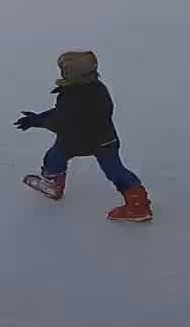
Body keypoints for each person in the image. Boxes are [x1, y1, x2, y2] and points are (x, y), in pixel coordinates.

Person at [15, 50, 152, 222]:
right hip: (103, 139)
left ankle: (138, 206)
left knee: (57, 158)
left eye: (64, 70)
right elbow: (61, 114)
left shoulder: (77, 95)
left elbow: (61, 120)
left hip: (80, 141)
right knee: (112, 169)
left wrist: (36, 121)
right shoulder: (94, 88)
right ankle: (137, 202)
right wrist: (38, 118)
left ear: (72, 74)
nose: (61, 73)